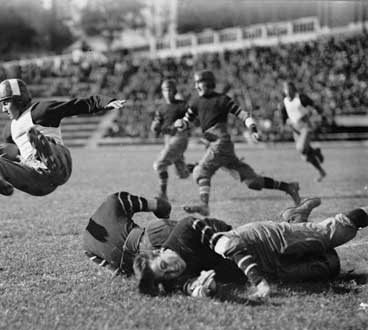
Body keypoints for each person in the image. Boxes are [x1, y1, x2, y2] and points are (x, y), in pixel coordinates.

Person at [132, 198, 367, 300]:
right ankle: (296, 217)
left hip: (261, 241)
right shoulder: (170, 278)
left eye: (164, 265)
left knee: (332, 234)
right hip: (267, 269)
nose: (172, 270)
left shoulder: (186, 228)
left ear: (159, 251)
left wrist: (259, 282)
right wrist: (203, 289)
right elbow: (189, 286)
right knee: (330, 266)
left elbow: (231, 248)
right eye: (167, 275)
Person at [174, 70, 302, 216]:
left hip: (220, 143)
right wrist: (181, 123)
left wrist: (253, 129)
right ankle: (289, 187)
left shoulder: (222, 100)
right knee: (253, 182)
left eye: (199, 83)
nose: (196, 86)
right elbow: (186, 120)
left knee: (201, 171)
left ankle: (204, 205)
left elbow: (244, 115)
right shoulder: (196, 101)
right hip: (218, 145)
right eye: (195, 83)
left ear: (208, 83)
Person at [0, 78, 126, 197]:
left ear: (19, 99)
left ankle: (43, 147)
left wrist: (105, 101)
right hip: (38, 180)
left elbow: (75, 106)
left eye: (6, 103)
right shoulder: (8, 130)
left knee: (41, 141)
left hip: (60, 166)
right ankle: (2, 184)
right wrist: (5, 158)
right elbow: (13, 154)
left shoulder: (41, 111)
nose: (3, 109)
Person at [149, 78, 194, 199]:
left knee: (159, 164)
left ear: (174, 91)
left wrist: (184, 123)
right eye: (165, 90)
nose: (167, 92)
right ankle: (198, 167)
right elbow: (158, 125)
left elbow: (193, 120)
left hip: (179, 137)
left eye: (170, 89)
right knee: (182, 174)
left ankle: (162, 195)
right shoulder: (161, 108)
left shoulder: (182, 105)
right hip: (168, 139)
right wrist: (155, 127)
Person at [281, 81, 327, 182]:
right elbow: (284, 115)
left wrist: (320, 113)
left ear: (293, 89)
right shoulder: (284, 101)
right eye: (285, 90)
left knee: (300, 148)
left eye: (289, 89)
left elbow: (314, 105)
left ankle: (316, 152)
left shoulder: (301, 98)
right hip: (295, 129)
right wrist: (284, 123)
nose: (287, 92)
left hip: (305, 126)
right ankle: (321, 170)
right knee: (305, 157)